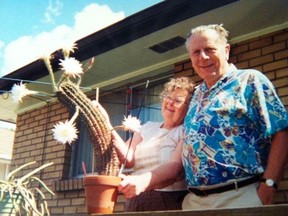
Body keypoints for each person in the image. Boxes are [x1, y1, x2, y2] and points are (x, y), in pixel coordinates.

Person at [182, 24, 288, 210]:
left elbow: (281, 131)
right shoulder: (196, 94)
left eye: (209, 49)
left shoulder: (250, 80)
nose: (203, 57)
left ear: (226, 50)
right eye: (196, 52)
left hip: (240, 197)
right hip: (194, 201)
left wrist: (269, 186)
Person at [97, 77, 195, 211]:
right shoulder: (147, 127)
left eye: (177, 100)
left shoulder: (186, 130)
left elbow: (174, 170)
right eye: (168, 97)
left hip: (169, 201)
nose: (170, 103)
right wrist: (106, 125)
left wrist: (141, 182)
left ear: (188, 107)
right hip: (136, 200)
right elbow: (128, 159)